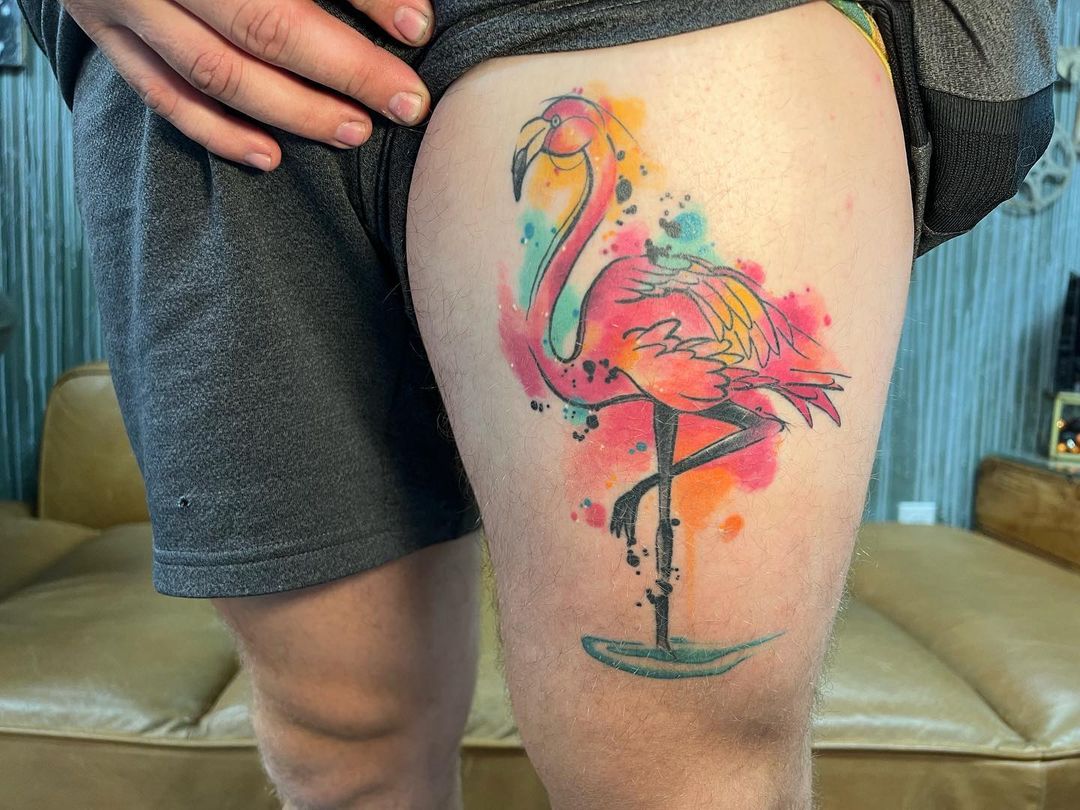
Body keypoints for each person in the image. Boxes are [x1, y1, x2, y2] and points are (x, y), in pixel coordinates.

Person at [16, 0, 1058, 807]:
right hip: (206, 91)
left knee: (676, 764)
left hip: (633, 21)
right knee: (341, 747)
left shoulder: (640, 299)